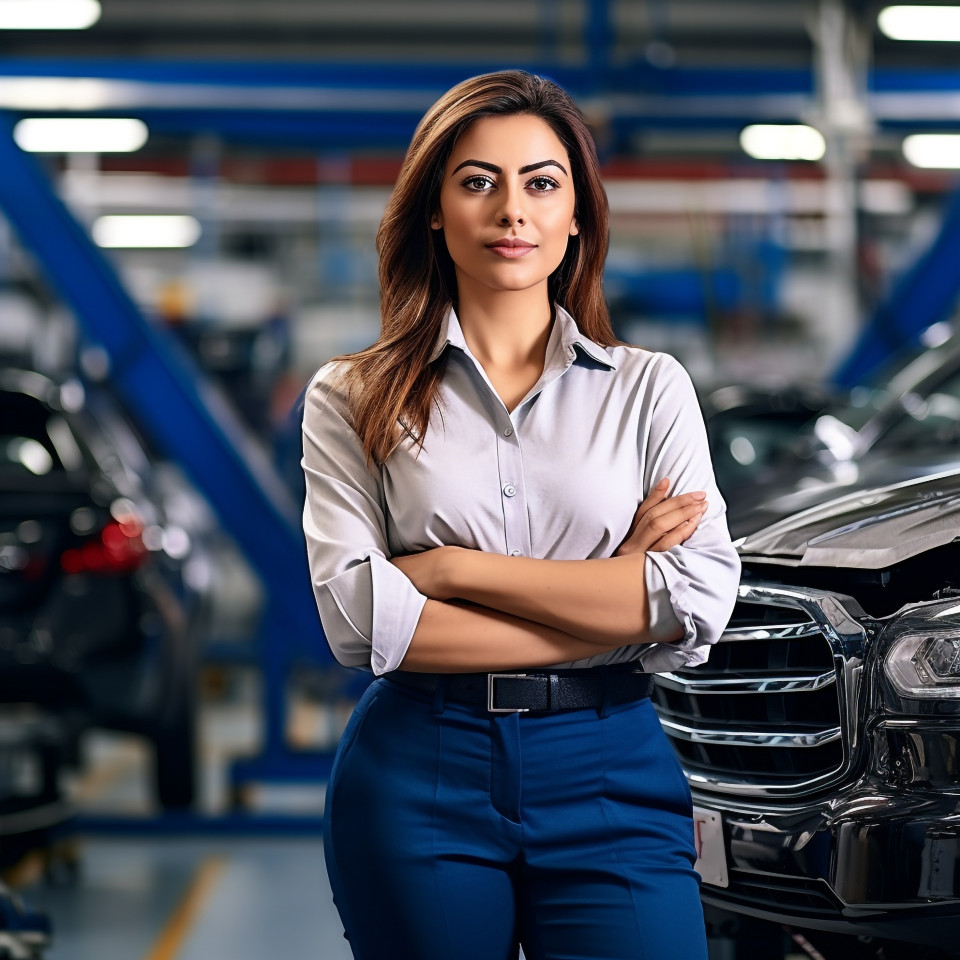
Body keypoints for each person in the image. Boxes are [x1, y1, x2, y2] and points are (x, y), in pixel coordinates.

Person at [302, 70, 741, 960]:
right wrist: (610, 603)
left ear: (576, 213)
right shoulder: (352, 396)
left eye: (542, 182)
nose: (513, 210)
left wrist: (454, 573)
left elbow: (695, 598)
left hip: (611, 768)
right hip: (418, 774)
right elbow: (361, 621)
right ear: (434, 209)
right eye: (478, 181)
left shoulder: (648, 391)